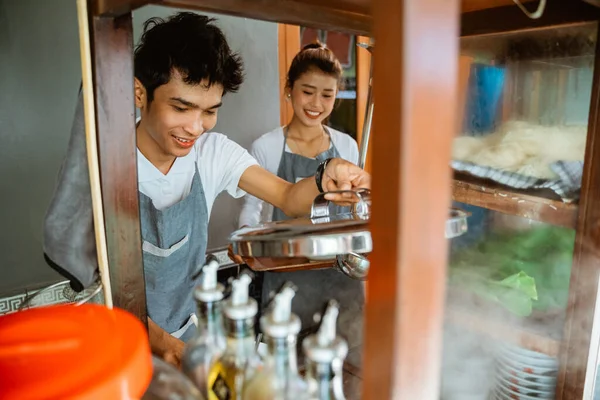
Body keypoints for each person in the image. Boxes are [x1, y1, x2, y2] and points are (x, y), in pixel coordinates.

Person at [43, 12, 370, 368]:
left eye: (210, 111)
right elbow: (86, 272)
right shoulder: (105, 161)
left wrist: (325, 177)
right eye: (181, 107)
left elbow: (289, 198)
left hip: (185, 336)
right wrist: (164, 346)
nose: (196, 127)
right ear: (140, 93)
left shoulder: (213, 153)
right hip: (117, 346)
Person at [237, 43, 364, 361]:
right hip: (285, 273)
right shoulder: (266, 146)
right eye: (308, 91)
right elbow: (253, 209)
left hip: (337, 273)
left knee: (339, 360)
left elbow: (352, 209)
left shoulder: (346, 146)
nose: (316, 104)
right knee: (284, 361)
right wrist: (249, 250)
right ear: (289, 90)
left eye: (327, 94)